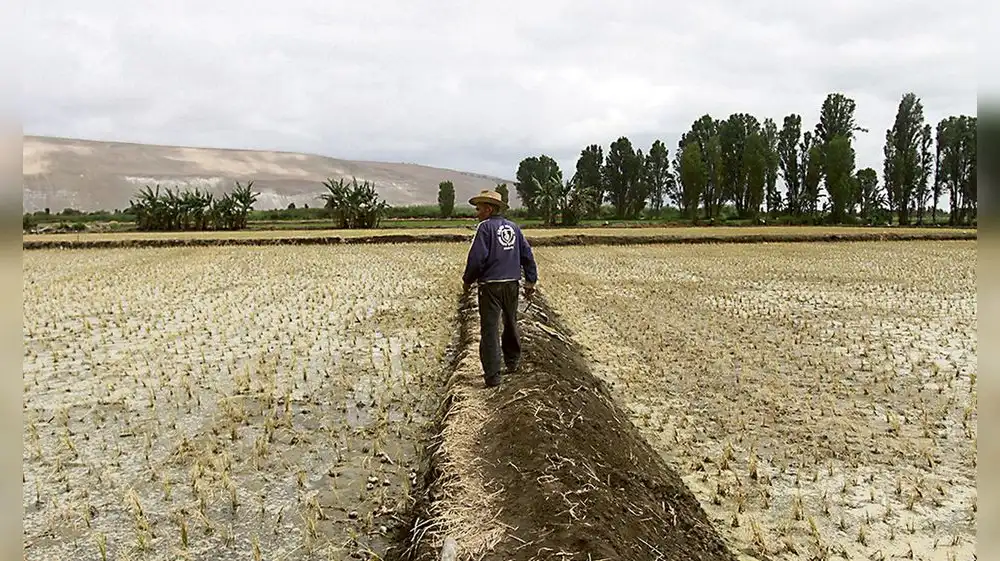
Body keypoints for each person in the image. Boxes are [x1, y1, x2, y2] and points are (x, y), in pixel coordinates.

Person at [462, 189, 538, 388]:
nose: (476, 213)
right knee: (511, 322)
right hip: (512, 283)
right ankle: (512, 363)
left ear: (488, 209)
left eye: (479, 209)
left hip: (490, 286)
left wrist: (467, 280)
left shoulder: (484, 228)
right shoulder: (513, 227)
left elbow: (477, 259)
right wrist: (530, 281)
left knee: (489, 329)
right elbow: (527, 255)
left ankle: (493, 376)